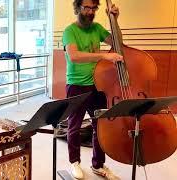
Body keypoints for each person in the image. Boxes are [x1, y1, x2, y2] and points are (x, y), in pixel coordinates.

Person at [63, 0, 123, 179]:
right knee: (74, 126)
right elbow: (74, 56)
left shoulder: (97, 28)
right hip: (76, 85)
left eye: (93, 8)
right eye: (86, 7)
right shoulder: (70, 31)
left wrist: (115, 20)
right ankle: (74, 163)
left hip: (98, 85)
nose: (90, 12)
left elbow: (118, 44)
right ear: (78, 8)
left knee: (100, 126)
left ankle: (98, 164)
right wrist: (104, 55)